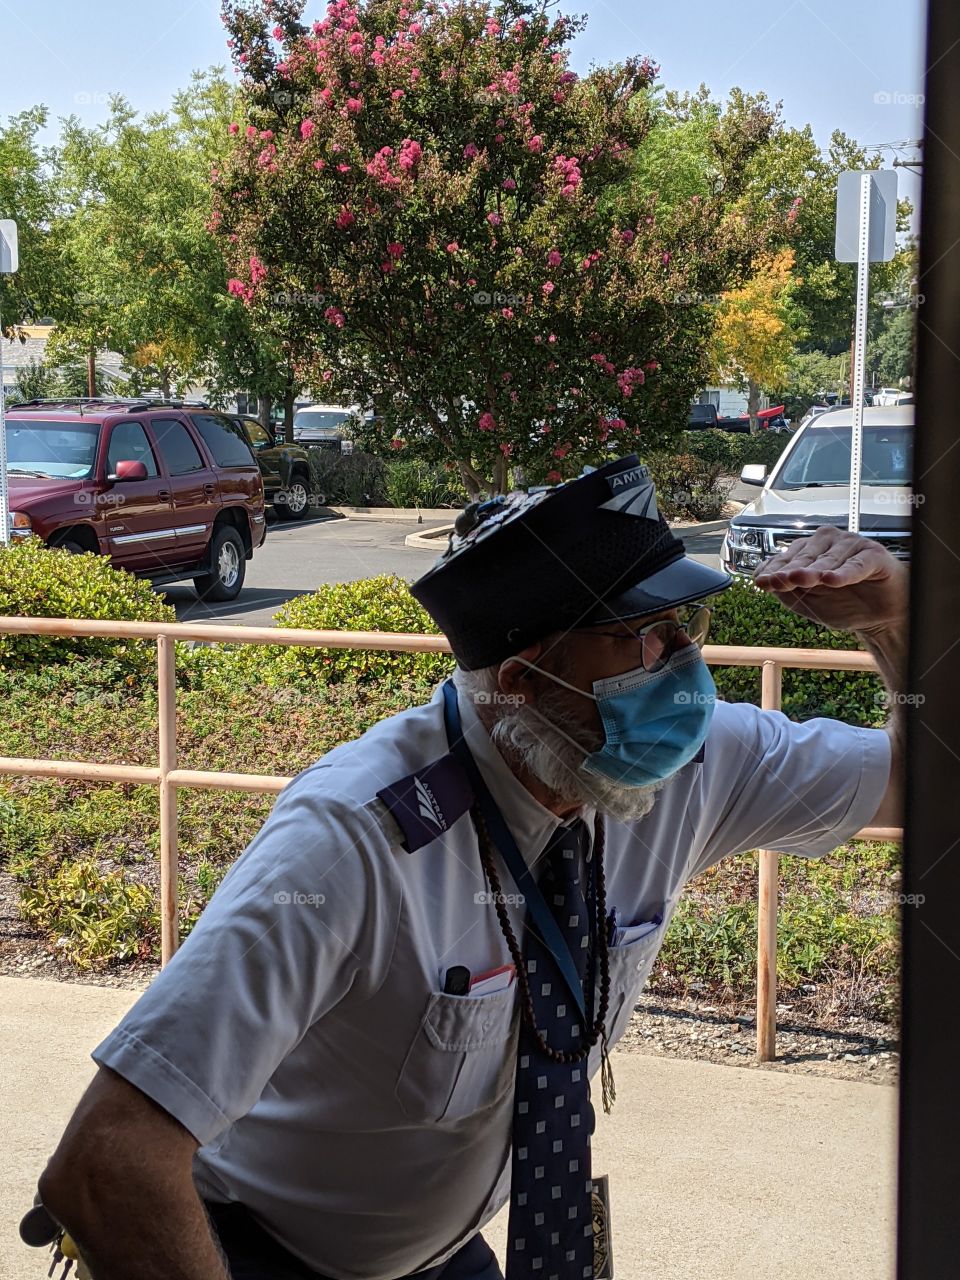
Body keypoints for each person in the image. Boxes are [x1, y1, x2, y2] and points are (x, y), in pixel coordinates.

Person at [35, 457, 904, 1280]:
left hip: (441, 1252)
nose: (685, 667)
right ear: (524, 682)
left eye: (688, 627)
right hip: (257, 1252)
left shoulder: (693, 764)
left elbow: (923, 788)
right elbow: (109, 1162)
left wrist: (893, 620)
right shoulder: (350, 841)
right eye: (643, 638)